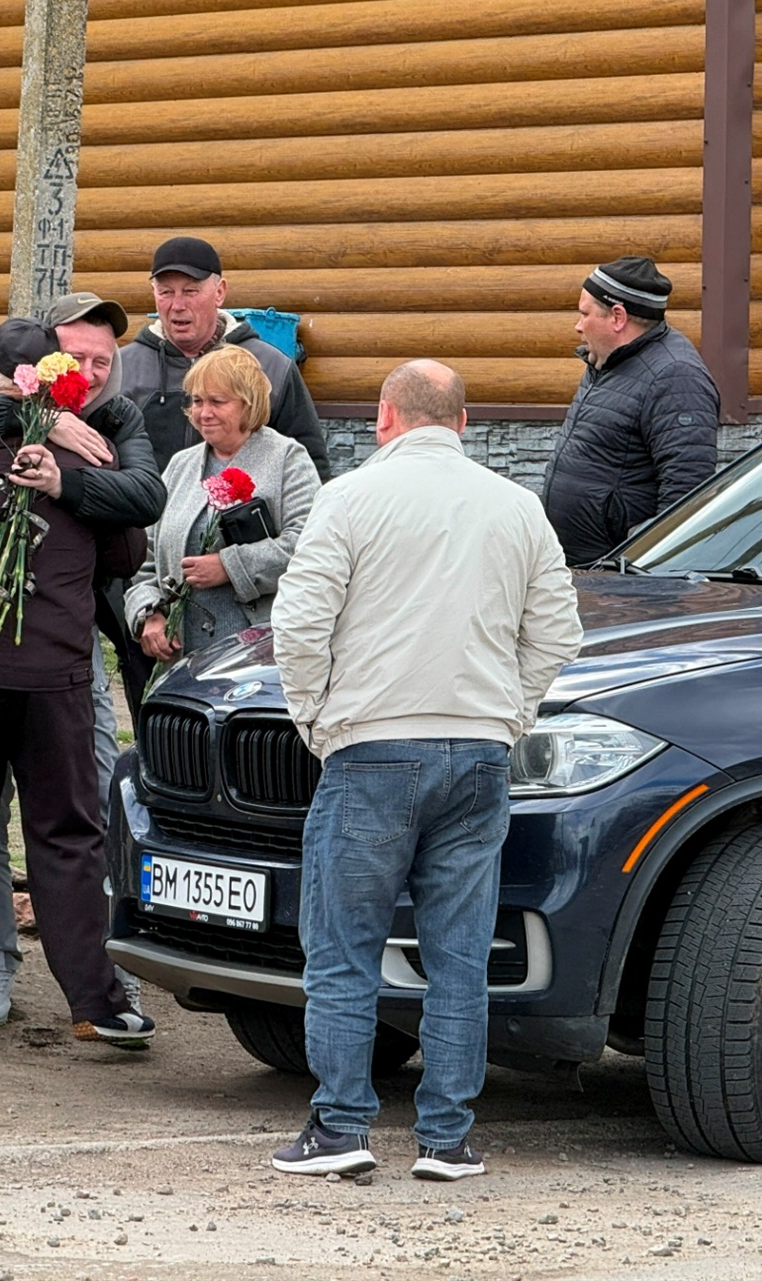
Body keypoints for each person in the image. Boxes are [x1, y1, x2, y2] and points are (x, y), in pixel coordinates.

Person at [269, 360, 581, 1180]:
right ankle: (447, 1137)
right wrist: (507, 715)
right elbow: (557, 632)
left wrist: (316, 720)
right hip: (478, 749)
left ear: (384, 418)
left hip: (370, 743)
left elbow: (299, 623)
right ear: (464, 421)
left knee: (342, 948)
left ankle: (341, 1127)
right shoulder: (517, 506)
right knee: (458, 953)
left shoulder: (348, 498)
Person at [0, 290, 166, 1027]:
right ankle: (92, 1000)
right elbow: (127, 544)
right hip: (49, 666)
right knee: (64, 832)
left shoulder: (102, 426)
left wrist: (63, 480)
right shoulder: (38, 425)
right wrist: (50, 435)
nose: (89, 375)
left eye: (102, 361)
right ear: (51, 367)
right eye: (76, 362)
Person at [125, 344, 320, 667]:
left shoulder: (287, 459)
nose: (204, 413)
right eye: (198, 401)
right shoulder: (180, 466)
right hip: (180, 662)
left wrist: (229, 566)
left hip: (260, 658)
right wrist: (149, 614)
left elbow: (309, 545)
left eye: (217, 402)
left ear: (249, 404)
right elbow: (144, 555)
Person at [541, 257, 721, 567]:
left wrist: (638, 569)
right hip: (583, 569)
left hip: (616, 582)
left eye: (585, 314)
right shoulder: (606, 360)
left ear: (618, 317)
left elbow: (685, 493)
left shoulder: (676, 376)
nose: (578, 326)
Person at [115, 235, 330, 477]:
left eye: (190, 291)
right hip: (146, 514)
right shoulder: (121, 368)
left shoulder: (270, 365)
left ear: (219, 292)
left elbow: (310, 465)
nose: (177, 305)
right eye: (166, 292)